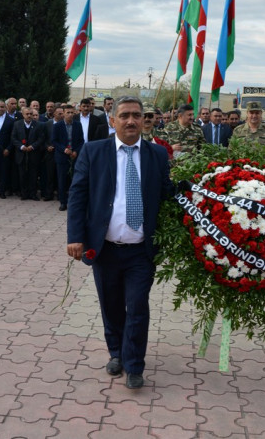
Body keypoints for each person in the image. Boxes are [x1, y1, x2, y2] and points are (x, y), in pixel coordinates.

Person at [67, 96, 173, 389]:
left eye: (136, 115)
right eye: (124, 115)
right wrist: (75, 237)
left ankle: (135, 364)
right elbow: (77, 195)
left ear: (144, 120)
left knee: (137, 306)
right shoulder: (93, 151)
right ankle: (116, 353)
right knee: (111, 305)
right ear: (112, 120)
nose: (131, 121)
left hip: (141, 250)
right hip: (105, 248)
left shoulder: (157, 154)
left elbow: (168, 193)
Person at [52, 104, 84, 210]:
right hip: (62, 157)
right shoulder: (57, 126)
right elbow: (54, 141)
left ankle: (73, 202)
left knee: (74, 180)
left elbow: (81, 141)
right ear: (63, 114)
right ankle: (63, 202)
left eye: (72, 112)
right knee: (62, 180)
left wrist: (76, 151)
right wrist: (64, 149)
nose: (70, 115)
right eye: (68, 113)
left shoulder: (78, 125)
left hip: (74, 156)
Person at [12, 107, 46, 201]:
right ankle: (24, 193)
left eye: (31, 114)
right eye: (27, 114)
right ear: (23, 115)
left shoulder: (38, 125)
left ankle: (33, 194)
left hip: (33, 153)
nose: (29, 116)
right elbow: (13, 138)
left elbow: (41, 138)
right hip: (21, 154)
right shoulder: (17, 124)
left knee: (33, 175)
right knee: (22, 175)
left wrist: (33, 146)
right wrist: (21, 146)